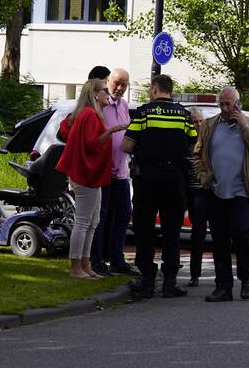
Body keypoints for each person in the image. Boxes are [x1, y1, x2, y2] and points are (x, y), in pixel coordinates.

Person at [121, 74, 197, 299]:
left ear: (154, 89)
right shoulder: (183, 115)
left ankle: (146, 282)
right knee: (172, 230)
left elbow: (126, 145)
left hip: (148, 177)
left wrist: (145, 150)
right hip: (175, 179)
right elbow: (192, 145)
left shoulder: (144, 112)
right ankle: (170, 283)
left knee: (144, 229)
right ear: (170, 91)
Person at [194, 86, 249, 302]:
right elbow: (198, 153)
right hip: (216, 190)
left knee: (241, 233)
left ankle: (246, 279)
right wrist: (203, 176)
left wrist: (245, 127)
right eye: (222, 104)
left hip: (240, 192)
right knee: (219, 239)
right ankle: (223, 287)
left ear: (238, 104)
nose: (225, 108)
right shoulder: (210, 125)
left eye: (229, 104)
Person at [56, 79, 128, 279]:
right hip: (86, 175)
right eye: (105, 90)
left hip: (92, 176)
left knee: (93, 221)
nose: (108, 93)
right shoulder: (89, 114)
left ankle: (85, 264)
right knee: (83, 222)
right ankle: (76, 266)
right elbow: (91, 144)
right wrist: (112, 130)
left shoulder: (89, 114)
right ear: (95, 94)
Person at [89, 68, 136, 277]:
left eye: (124, 84)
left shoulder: (124, 105)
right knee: (100, 216)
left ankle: (116, 259)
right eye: (116, 83)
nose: (119, 88)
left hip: (121, 171)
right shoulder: (99, 104)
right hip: (102, 171)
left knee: (124, 213)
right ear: (108, 81)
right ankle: (97, 260)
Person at [186, 110, 208, 287]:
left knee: (198, 232)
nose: (198, 125)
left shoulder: (207, 141)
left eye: (200, 121)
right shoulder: (183, 140)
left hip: (202, 191)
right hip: (185, 190)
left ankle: (195, 274)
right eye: (194, 122)